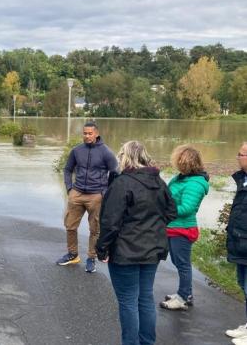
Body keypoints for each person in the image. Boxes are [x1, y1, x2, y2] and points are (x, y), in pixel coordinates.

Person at [96, 141, 177, 345]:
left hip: (126, 252)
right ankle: (147, 342)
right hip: (152, 250)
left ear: (124, 157)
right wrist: (151, 228)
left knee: (128, 301)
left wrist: (102, 248)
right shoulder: (159, 182)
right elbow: (171, 212)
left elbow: (110, 221)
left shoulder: (122, 183)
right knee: (145, 298)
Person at [57, 121, 118, 273]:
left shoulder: (106, 152)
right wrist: (69, 188)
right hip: (76, 193)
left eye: (90, 133)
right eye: (85, 133)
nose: (87, 136)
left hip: (96, 195)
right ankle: (73, 254)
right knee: (70, 225)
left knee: (95, 229)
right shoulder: (77, 150)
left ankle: (91, 258)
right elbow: (67, 169)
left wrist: (105, 192)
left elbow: (115, 173)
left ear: (96, 134)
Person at [160, 145, 209, 311]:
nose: (176, 165)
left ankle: (183, 297)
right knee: (178, 262)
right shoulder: (181, 178)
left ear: (186, 163)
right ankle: (184, 293)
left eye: (179, 162)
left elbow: (187, 208)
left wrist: (164, 210)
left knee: (183, 264)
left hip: (182, 229)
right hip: (174, 227)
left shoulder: (195, 184)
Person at [225, 142, 247, 344]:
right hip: (240, 242)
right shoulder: (243, 179)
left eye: (240, 154)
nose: (237, 157)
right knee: (244, 284)